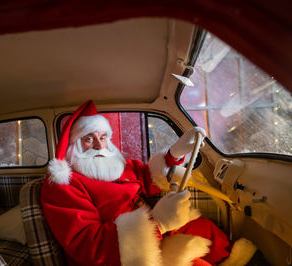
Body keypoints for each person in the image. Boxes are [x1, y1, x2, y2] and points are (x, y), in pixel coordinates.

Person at [41, 100, 231, 265]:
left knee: (206, 229)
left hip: (150, 230)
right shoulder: (63, 186)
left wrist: (174, 155)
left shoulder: (115, 165)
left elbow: (147, 177)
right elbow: (89, 245)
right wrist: (157, 223)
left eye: (103, 137)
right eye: (89, 139)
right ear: (75, 145)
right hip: (122, 253)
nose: (99, 145)